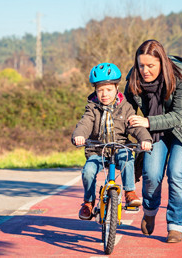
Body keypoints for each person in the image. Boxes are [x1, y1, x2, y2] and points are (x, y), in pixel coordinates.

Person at [125, 40, 182, 243]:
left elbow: (180, 116)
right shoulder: (133, 79)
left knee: (176, 173)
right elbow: (125, 110)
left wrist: (147, 121)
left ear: (162, 62)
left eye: (150, 66)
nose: (145, 71)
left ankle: (175, 225)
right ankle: (150, 211)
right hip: (155, 131)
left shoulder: (180, 76)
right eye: (141, 65)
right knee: (151, 174)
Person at [72, 62, 152, 220]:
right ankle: (88, 202)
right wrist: (79, 135)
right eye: (100, 90)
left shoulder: (126, 107)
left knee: (127, 158)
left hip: (119, 147)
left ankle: (129, 192)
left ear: (117, 88)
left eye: (108, 89)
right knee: (88, 172)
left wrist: (145, 139)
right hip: (97, 150)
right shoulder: (92, 108)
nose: (104, 94)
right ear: (95, 90)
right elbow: (85, 123)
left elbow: (135, 127)